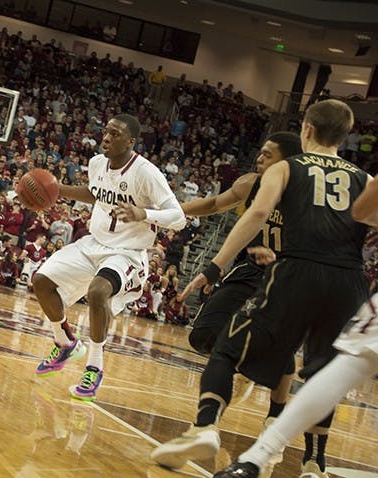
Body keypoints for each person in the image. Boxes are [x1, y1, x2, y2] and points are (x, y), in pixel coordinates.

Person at [151, 100, 369, 477]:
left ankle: (204, 427)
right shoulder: (365, 178)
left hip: (298, 270)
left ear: (307, 130)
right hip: (349, 282)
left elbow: (257, 213)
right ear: (345, 136)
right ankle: (314, 463)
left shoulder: (288, 167)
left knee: (226, 349)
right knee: (325, 373)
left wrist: (214, 267)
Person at [215, 175, 378, 477]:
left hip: (314, 275)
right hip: (333, 280)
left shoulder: (293, 174)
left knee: (341, 369)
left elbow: (363, 211)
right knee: (339, 367)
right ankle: (286, 458)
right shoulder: (352, 177)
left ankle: (257, 458)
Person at [33, 114, 185, 401]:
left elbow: (178, 217)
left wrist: (143, 213)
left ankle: (94, 367)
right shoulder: (96, 163)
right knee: (41, 281)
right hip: (94, 243)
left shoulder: (147, 173)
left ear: (130, 142)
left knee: (98, 292)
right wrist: (57, 190)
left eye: (115, 134)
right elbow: (96, 194)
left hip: (127, 253)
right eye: (106, 132)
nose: (106, 138)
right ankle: (65, 342)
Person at [182, 133, 302, 417]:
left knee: (282, 349)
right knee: (202, 336)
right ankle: (244, 363)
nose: (259, 159)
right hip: (250, 268)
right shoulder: (250, 184)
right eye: (260, 152)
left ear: (286, 163)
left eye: (268, 155)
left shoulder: (305, 195)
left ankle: (274, 416)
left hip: (289, 275)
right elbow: (214, 204)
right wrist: (164, 211)